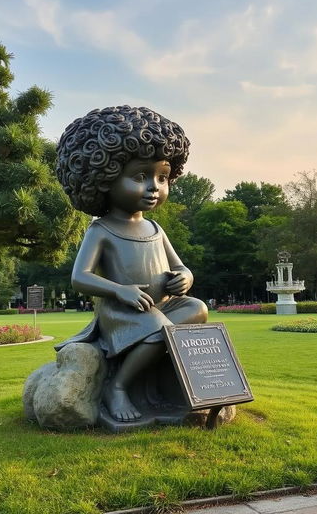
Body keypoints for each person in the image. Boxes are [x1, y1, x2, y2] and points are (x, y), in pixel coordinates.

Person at [54, 105, 208, 422]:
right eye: (140, 176)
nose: (154, 186)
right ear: (105, 179)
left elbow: (180, 266)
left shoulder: (155, 229)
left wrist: (185, 277)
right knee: (158, 328)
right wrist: (120, 291)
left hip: (160, 306)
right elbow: (80, 277)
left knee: (197, 309)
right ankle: (119, 387)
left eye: (162, 177)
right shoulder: (102, 229)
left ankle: (173, 381)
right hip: (121, 310)